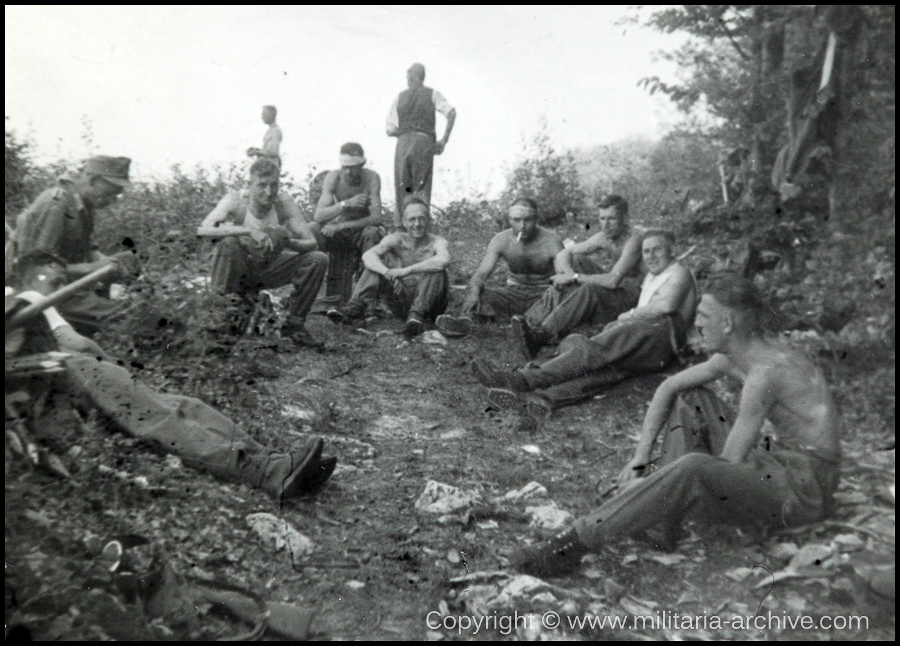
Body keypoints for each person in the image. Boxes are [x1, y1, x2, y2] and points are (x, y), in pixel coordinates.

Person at [507, 274, 841, 576]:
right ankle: (661, 522)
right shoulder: (742, 355)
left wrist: (652, 484)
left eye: (703, 317)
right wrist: (640, 458)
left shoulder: (764, 372)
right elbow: (669, 387)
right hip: (787, 465)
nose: (696, 325)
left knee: (693, 468)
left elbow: (726, 465)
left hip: (806, 490)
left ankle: (570, 546)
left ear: (726, 323)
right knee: (692, 397)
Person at [6, 251, 336, 502]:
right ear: (30, 279)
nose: (58, 289)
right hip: (62, 375)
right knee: (163, 418)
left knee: (185, 406)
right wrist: (107, 367)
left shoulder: (28, 299)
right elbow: (73, 343)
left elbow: (72, 342)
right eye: (52, 283)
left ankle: (276, 461)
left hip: (72, 374)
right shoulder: (23, 297)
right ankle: (268, 471)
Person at [473, 231, 696, 414]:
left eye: (657, 250)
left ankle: (523, 379)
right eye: (646, 252)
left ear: (672, 251)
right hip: (651, 343)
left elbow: (666, 306)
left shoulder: (679, 272)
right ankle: (542, 401)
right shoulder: (653, 276)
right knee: (605, 370)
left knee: (594, 351)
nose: (650, 256)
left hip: (662, 336)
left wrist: (628, 316)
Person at [198, 158, 327, 347]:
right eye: (262, 185)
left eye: (273, 185)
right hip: (237, 270)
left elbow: (311, 242)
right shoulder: (235, 201)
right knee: (229, 243)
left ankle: (294, 326)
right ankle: (219, 321)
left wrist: (284, 239)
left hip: (268, 268)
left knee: (318, 259)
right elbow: (203, 230)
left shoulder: (283, 202)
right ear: (250, 185)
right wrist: (248, 231)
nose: (269, 192)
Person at [14, 155, 140, 335]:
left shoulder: (82, 205)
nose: (113, 199)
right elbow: (36, 271)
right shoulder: (55, 204)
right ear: (93, 180)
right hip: (43, 291)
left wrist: (110, 263)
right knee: (126, 315)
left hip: (67, 280)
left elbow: (86, 248)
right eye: (111, 192)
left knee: (129, 260)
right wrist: (94, 268)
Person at [512, 195, 645, 359]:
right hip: (618, 287)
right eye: (602, 218)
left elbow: (613, 280)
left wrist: (573, 277)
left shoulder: (634, 240)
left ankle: (542, 335)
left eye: (612, 219)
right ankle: (531, 321)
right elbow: (564, 252)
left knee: (589, 288)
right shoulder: (604, 237)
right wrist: (567, 273)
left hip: (634, 297)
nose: (606, 224)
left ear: (625, 218)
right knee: (578, 260)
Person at [435, 198, 563, 338]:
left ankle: (526, 328)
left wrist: (555, 288)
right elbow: (480, 276)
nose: (523, 226)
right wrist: (474, 293)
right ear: (509, 220)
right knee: (477, 292)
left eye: (528, 220)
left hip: (542, 294)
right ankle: (465, 322)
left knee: (560, 298)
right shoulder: (501, 240)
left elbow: (563, 276)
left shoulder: (552, 241)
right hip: (513, 293)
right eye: (517, 220)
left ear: (536, 219)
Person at [327, 198, 449, 337]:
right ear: (404, 222)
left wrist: (404, 271)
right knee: (375, 266)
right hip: (402, 300)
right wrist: (387, 273)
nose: (417, 224)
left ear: (428, 220)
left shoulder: (437, 241)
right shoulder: (396, 239)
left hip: (431, 305)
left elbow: (443, 260)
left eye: (421, 219)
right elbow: (368, 255)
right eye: (412, 219)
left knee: (436, 269)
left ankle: (417, 317)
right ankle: (353, 308)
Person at [312, 143, 385, 302]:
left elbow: (377, 218)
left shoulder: (371, 178)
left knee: (372, 233)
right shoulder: (333, 177)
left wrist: (341, 225)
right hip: (339, 232)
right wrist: (345, 204)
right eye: (344, 166)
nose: (347, 171)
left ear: (362, 165)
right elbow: (318, 215)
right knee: (313, 229)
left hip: (360, 232)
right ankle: (307, 291)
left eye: (352, 167)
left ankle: (364, 300)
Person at [386, 63, 456, 229]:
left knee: (403, 186)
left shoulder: (400, 97)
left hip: (403, 142)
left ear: (412, 76)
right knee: (421, 187)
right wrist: (443, 140)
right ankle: (418, 228)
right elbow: (451, 113)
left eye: (409, 76)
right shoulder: (432, 94)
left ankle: (402, 228)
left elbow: (389, 129)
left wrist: (405, 131)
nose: (408, 80)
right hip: (423, 141)